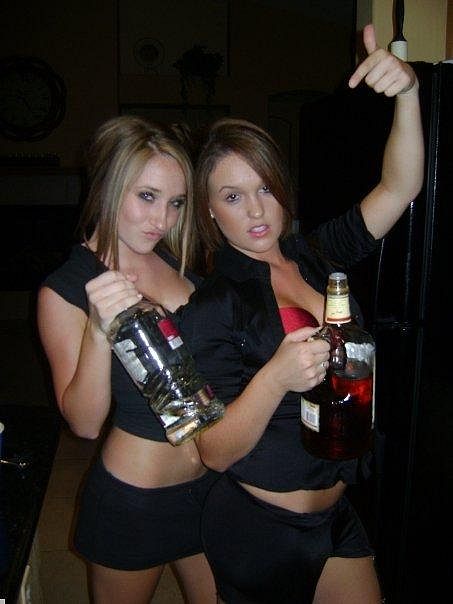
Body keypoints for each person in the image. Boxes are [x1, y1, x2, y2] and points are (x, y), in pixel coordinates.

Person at [178, 24, 424, 603]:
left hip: (337, 514)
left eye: (265, 188)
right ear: (210, 211)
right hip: (260, 528)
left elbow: (400, 187)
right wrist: (274, 378)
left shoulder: (316, 253)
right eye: (232, 196)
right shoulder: (211, 306)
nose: (256, 211)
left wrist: (410, 95)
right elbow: (212, 450)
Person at [37, 115, 218, 603]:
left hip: (210, 485)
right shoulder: (66, 289)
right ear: (108, 187)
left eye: (176, 202)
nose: (162, 220)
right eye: (147, 196)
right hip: (136, 500)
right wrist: (99, 333)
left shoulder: (176, 263)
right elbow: (84, 423)